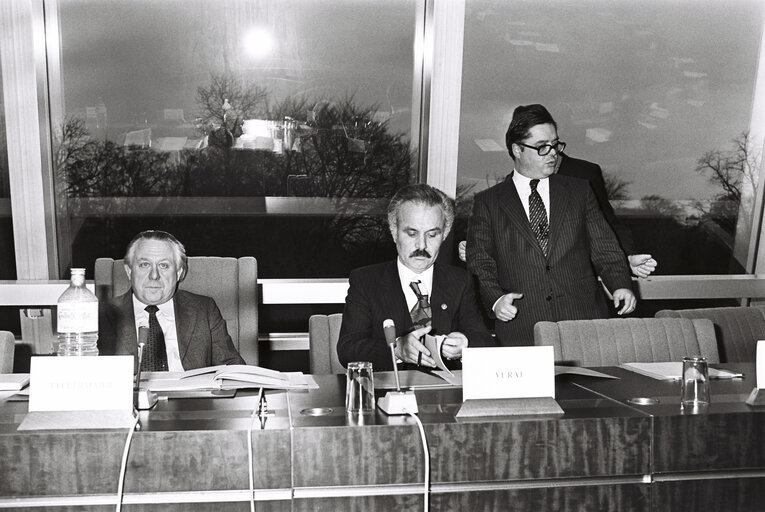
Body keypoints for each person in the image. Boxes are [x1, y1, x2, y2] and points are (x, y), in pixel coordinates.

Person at [466, 104, 636, 346]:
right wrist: (496, 299)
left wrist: (620, 285)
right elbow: (480, 261)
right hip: (522, 326)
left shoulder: (579, 191)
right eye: (542, 147)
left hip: (582, 324)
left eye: (555, 144)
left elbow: (605, 247)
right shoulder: (488, 202)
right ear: (517, 150)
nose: (553, 153)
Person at [337, 184, 494, 371]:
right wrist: (397, 350)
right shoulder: (366, 281)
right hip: (387, 395)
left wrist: (465, 344)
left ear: (444, 235)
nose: (422, 245)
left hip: (443, 395)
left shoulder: (460, 281)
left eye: (432, 234)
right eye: (412, 233)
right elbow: (348, 349)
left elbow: (485, 342)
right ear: (394, 232)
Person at [458, 154, 657, 279]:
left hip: (577, 292)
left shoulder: (583, 174)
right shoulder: (509, 185)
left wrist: (624, 260)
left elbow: (608, 226)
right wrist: (478, 250)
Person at [98, 230, 245, 371]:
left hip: (192, 395)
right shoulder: (102, 315)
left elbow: (231, 368)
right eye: (144, 265)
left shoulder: (203, 310)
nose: (154, 275)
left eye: (164, 265)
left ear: (179, 272)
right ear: (129, 271)